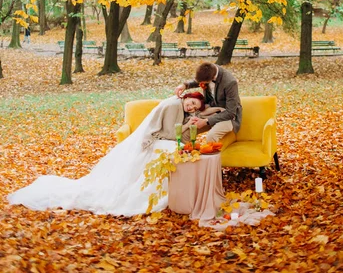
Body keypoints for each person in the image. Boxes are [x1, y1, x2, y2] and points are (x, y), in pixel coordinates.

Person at [8, 93, 205, 217]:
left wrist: (194, 122)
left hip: (162, 140)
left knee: (173, 150)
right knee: (169, 151)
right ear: (186, 97)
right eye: (192, 103)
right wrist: (188, 125)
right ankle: (158, 195)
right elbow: (169, 133)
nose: (192, 108)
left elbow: (178, 134)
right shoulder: (173, 106)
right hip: (155, 141)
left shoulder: (179, 107)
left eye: (195, 107)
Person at [175, 62, 242, 143]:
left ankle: (212, 155)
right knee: (185, 134)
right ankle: (191, 154)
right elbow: (198, 80)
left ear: (212, 77)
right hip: (211, 111)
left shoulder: (230, 82)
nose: (201, 84)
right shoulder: (208, 70)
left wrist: (206, 121)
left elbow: (231, 113)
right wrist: (185, 85)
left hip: (227, 117)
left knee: (211, 136)